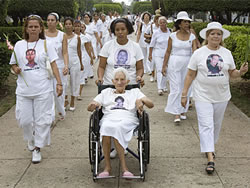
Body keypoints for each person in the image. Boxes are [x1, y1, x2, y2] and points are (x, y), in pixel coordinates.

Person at [181, 22, 248, 174]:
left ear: (221, 37)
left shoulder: (227, 53)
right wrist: (184, 94)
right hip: (202, 95)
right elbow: (190, 74)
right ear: (207, 36)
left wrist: (241, 72)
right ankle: (211, 158)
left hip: (222, 96)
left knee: (216, 125)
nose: (216, 36)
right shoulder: (199, 53)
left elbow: (232, 74)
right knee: (206, 125)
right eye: (213, 33)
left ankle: (209, 146)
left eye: (219, 34)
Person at [9, 15, 63, 163]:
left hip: (43, 89)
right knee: (25, 121)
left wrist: (59, 83)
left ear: (41, 28)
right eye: (30, 26)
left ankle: (37, 148)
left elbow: (53, 65)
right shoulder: (19, 45)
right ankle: (31, 140)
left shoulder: (46, 44)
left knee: (43, 120)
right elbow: (13, 64)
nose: (33, 29)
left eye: (36, 26)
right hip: (23, 91)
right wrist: (16, 69)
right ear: (26, 28)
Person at [87, 67, 154, 178]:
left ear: (127, 81)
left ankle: (124, 168)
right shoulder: (106, 92)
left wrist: (141, 101)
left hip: (128, 119)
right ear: (113, 81)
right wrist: (92, 106)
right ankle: (107, 167)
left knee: (117, 127)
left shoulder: (134, 92)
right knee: (106, 126)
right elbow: (90, 107)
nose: (119, 82)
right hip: (109, 118)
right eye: (116, 79)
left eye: (122, 79)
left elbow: (151, 104)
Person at [162, 11, 197, 123]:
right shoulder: (172, 36)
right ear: (179, 23)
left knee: (185, 88)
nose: (186, 24)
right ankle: (176, 113)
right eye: (184, 22)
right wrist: (164, 66)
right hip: (174, 63)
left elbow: (195, 52)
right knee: (176, 88)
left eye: (188, 22)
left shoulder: (192, 37)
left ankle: (183, 110)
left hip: (188, 64)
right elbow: (168, 52)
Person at [97, 18, 144, 86]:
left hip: (131, 85)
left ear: (128, 30)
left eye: (123, 29)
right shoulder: (107, 45)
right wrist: (100, 78)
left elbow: (140, 68)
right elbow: (101, 66)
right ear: (114, 32)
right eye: (117, 30)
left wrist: (139, 76)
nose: (120, 32)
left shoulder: (135, 46)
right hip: (110, 85)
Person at [45, 12, 69, 121]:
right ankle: (50, 115)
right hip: (46, 67)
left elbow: (64, 52)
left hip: (59, 66)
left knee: (58, 91)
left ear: (57, 22)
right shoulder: (42, 34)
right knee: (48, 92)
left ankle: (60, 110)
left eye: (52, 20)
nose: (50, 22)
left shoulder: (61, 35)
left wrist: (66, 65)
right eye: (48, 20)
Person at [64, 18, 83, 111]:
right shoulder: (61, 37)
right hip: (64, 62)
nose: (68, 25)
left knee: (74, 82)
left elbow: (79, 51)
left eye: (69, 24)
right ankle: (65, 99)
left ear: (72, 25)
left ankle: (72, 100)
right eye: (66, 24)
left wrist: (81, 63)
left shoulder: (77, 37)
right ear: (64, 25)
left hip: (75, 61)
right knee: (64, 82)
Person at [148, 16, 171, 95]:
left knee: (166, 70)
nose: (162, 24)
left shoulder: (170, 32)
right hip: (158, 53)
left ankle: (164, 86)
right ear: (158, 24)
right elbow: (151, 45)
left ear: (166, 23)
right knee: (159, 69)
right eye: (160, 23)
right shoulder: (156, 33)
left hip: (168, 54)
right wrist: (150, 55)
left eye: (163, 22)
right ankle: (159, 88)